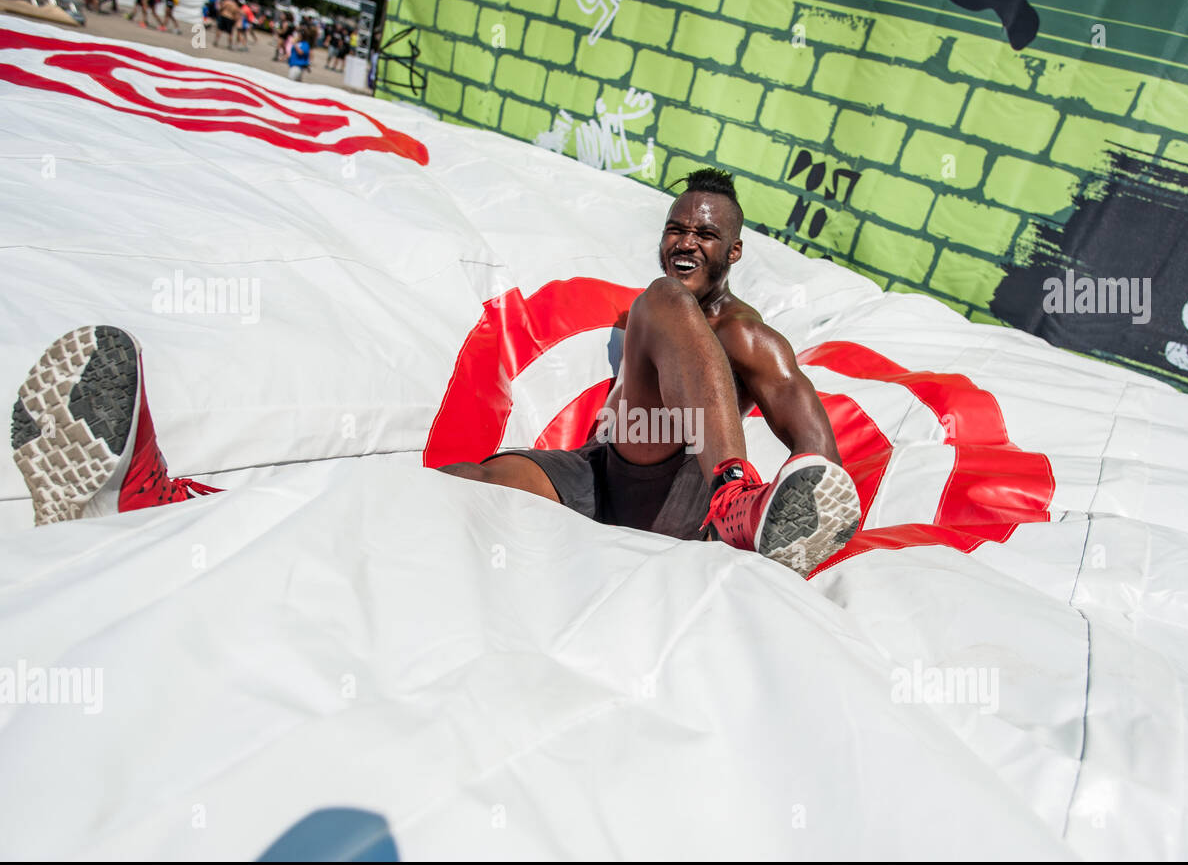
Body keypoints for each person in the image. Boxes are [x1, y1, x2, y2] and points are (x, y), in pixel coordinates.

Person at [9, 170, 860, 576]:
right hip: (599, 476)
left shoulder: (751, 340)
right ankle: (166, 504)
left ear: (735, 251)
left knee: (657, 307)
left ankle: (733, 495)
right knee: (413, 495)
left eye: (706, 235)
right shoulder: (657, 312)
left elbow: (823, 474)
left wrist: (767, 517)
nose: (686, 242)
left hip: (679, 496)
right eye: (677, 227)